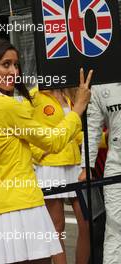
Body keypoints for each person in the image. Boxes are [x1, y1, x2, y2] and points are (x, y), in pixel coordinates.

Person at [0, 39, 92, 264]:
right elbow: (53, 141)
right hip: (24, 209)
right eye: (6, 65)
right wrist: (78, 109)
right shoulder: (9, 107)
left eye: (16, 65)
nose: (14, 71)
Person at [24, 86, 90, 264]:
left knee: (86, 225)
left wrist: (93, 140)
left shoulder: (69, 92)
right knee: (57, 227)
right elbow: (22, 129)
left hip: (74, 165)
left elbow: (75, 130)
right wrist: (39, 153)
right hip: (50, 167)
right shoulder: (34, 95)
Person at [79, 82, 121, 264]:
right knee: (114, 229)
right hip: (116, 165)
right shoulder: (103, 83)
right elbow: (92, 127)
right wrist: (85, 167)